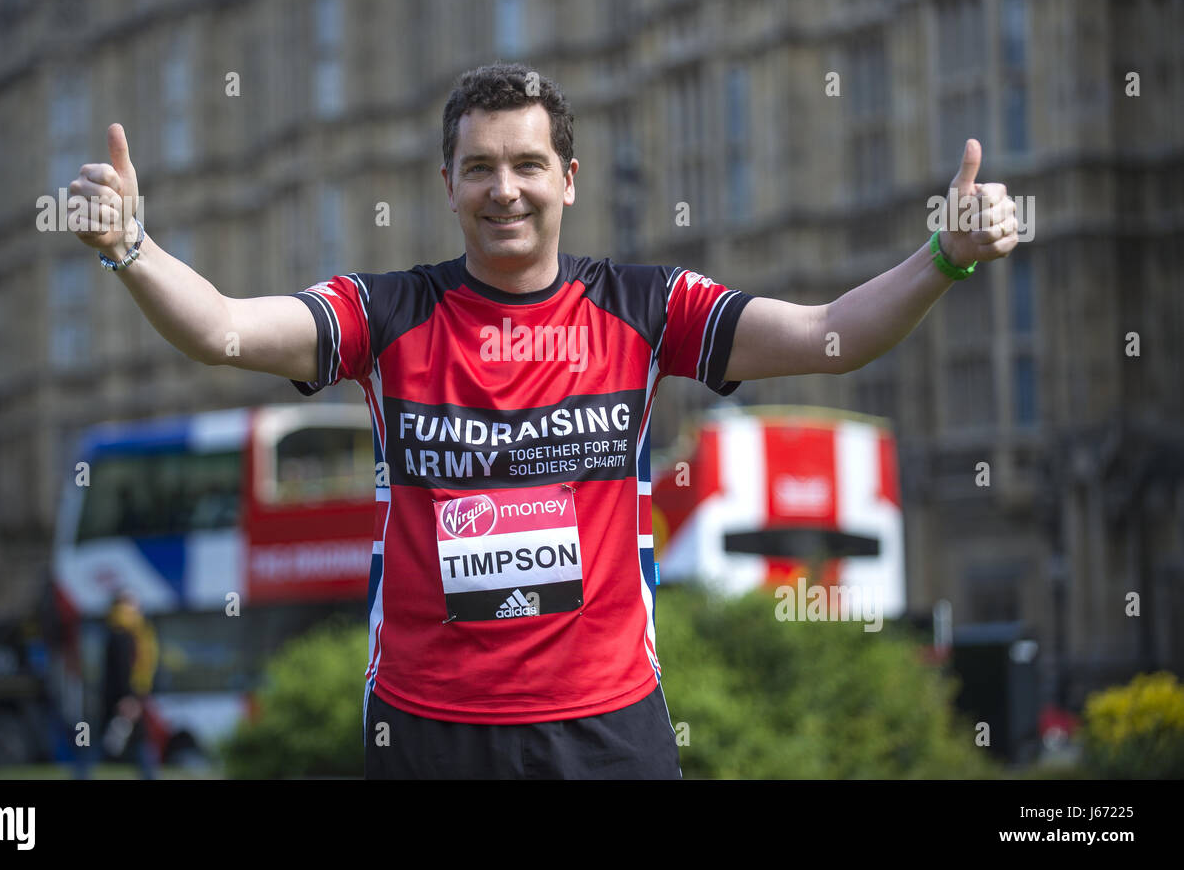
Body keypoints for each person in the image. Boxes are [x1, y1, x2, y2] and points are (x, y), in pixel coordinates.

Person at [67, 62, 1019, 778]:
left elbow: (825, 338)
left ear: (569, 177)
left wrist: (944, 257)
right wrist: (132, 249)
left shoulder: (646, 308)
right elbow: (226, 329)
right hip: (428, 726)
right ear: (448, 184)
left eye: (527, 163)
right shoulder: (386, 312)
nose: (504, 188)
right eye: (478, 167)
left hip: (610, 727)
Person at [97, 590, 159, 779]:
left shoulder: (117, 632)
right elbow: (125, 671)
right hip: (126, 702)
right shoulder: (128, 634)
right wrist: (131, 698)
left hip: (121, 701)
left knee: (110, 745)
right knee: (137, 746)